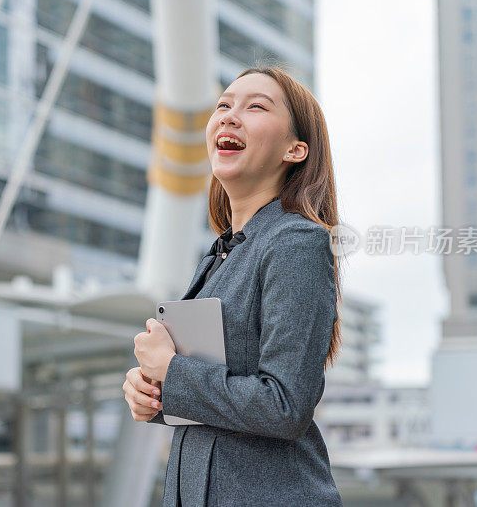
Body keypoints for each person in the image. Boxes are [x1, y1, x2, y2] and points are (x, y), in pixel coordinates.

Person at [122, 65, 344, 506]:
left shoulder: (296, 241)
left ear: (295, 149)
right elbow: (222, 394)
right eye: (223, 105)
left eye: (255, 107)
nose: (228, 115)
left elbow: (283, 406)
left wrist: (172, 371)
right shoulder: (221, 253)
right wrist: (155, 396)